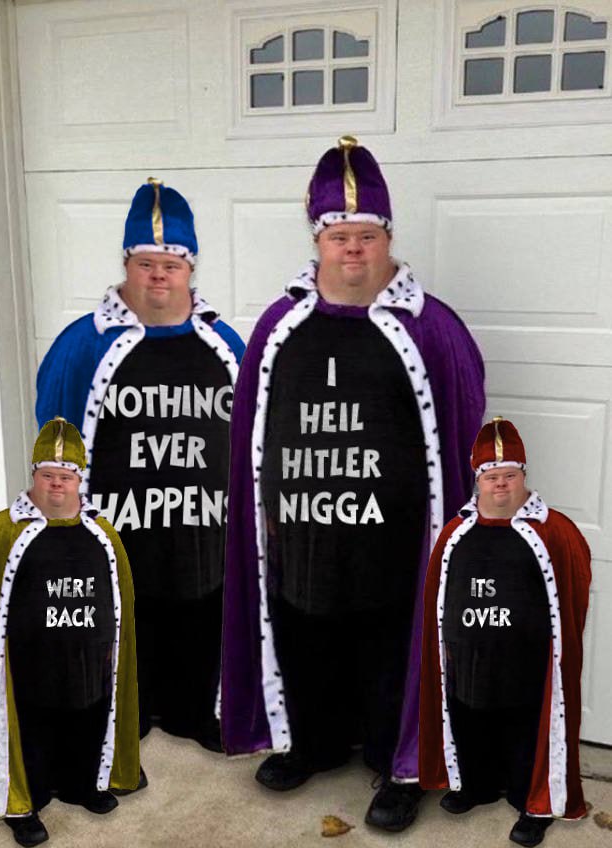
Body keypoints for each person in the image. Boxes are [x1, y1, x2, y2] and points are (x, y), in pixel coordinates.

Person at [221, 136, 485, 831]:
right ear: (318, 240)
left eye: (367, 235)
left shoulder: (432, 330)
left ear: (388, 237)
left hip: (394, 539)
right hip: (302, 530)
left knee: (388, 645)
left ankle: (400, 767)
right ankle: (313, 743)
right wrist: (264, 507)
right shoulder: (279, 326)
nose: (354, 250)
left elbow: (462, 428)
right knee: (305, 632)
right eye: (340, 237)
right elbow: (252, 429)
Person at [36, 179, 244, 750]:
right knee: (123, 610)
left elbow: (256, 432)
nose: (158, 276)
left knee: (202, 607)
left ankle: (194, 711)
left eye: (171, 264)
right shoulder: (82, 345)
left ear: (190, 268)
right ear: (126, 264)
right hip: (118, 524)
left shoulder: (226, 343)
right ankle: (125, 714)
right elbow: (54, 431)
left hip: (203, 524)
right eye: (146, 263)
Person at [0, 418, 140, 847]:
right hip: (30, 667)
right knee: (34, 729)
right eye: (48, 475)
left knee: (87, 716)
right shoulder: (3, 533)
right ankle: (25, 803)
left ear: (79, 480)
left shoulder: (103, 534)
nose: (57, 484)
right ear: (34, 477)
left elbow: (120, 600)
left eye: (66, 476)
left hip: (89, 663)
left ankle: (84, 785)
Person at [420, 417, 591, 847]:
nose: (500, 484)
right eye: (491, 476)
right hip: (469, 662)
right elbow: (437, 598)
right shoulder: (454, 534)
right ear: (478, 481)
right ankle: (475, 786)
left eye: (509, 475)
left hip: (526, 665)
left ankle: (532, 803)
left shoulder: (555, 532)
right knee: (471, 719)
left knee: (523, 729)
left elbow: (572, 594)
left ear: (523, 477)